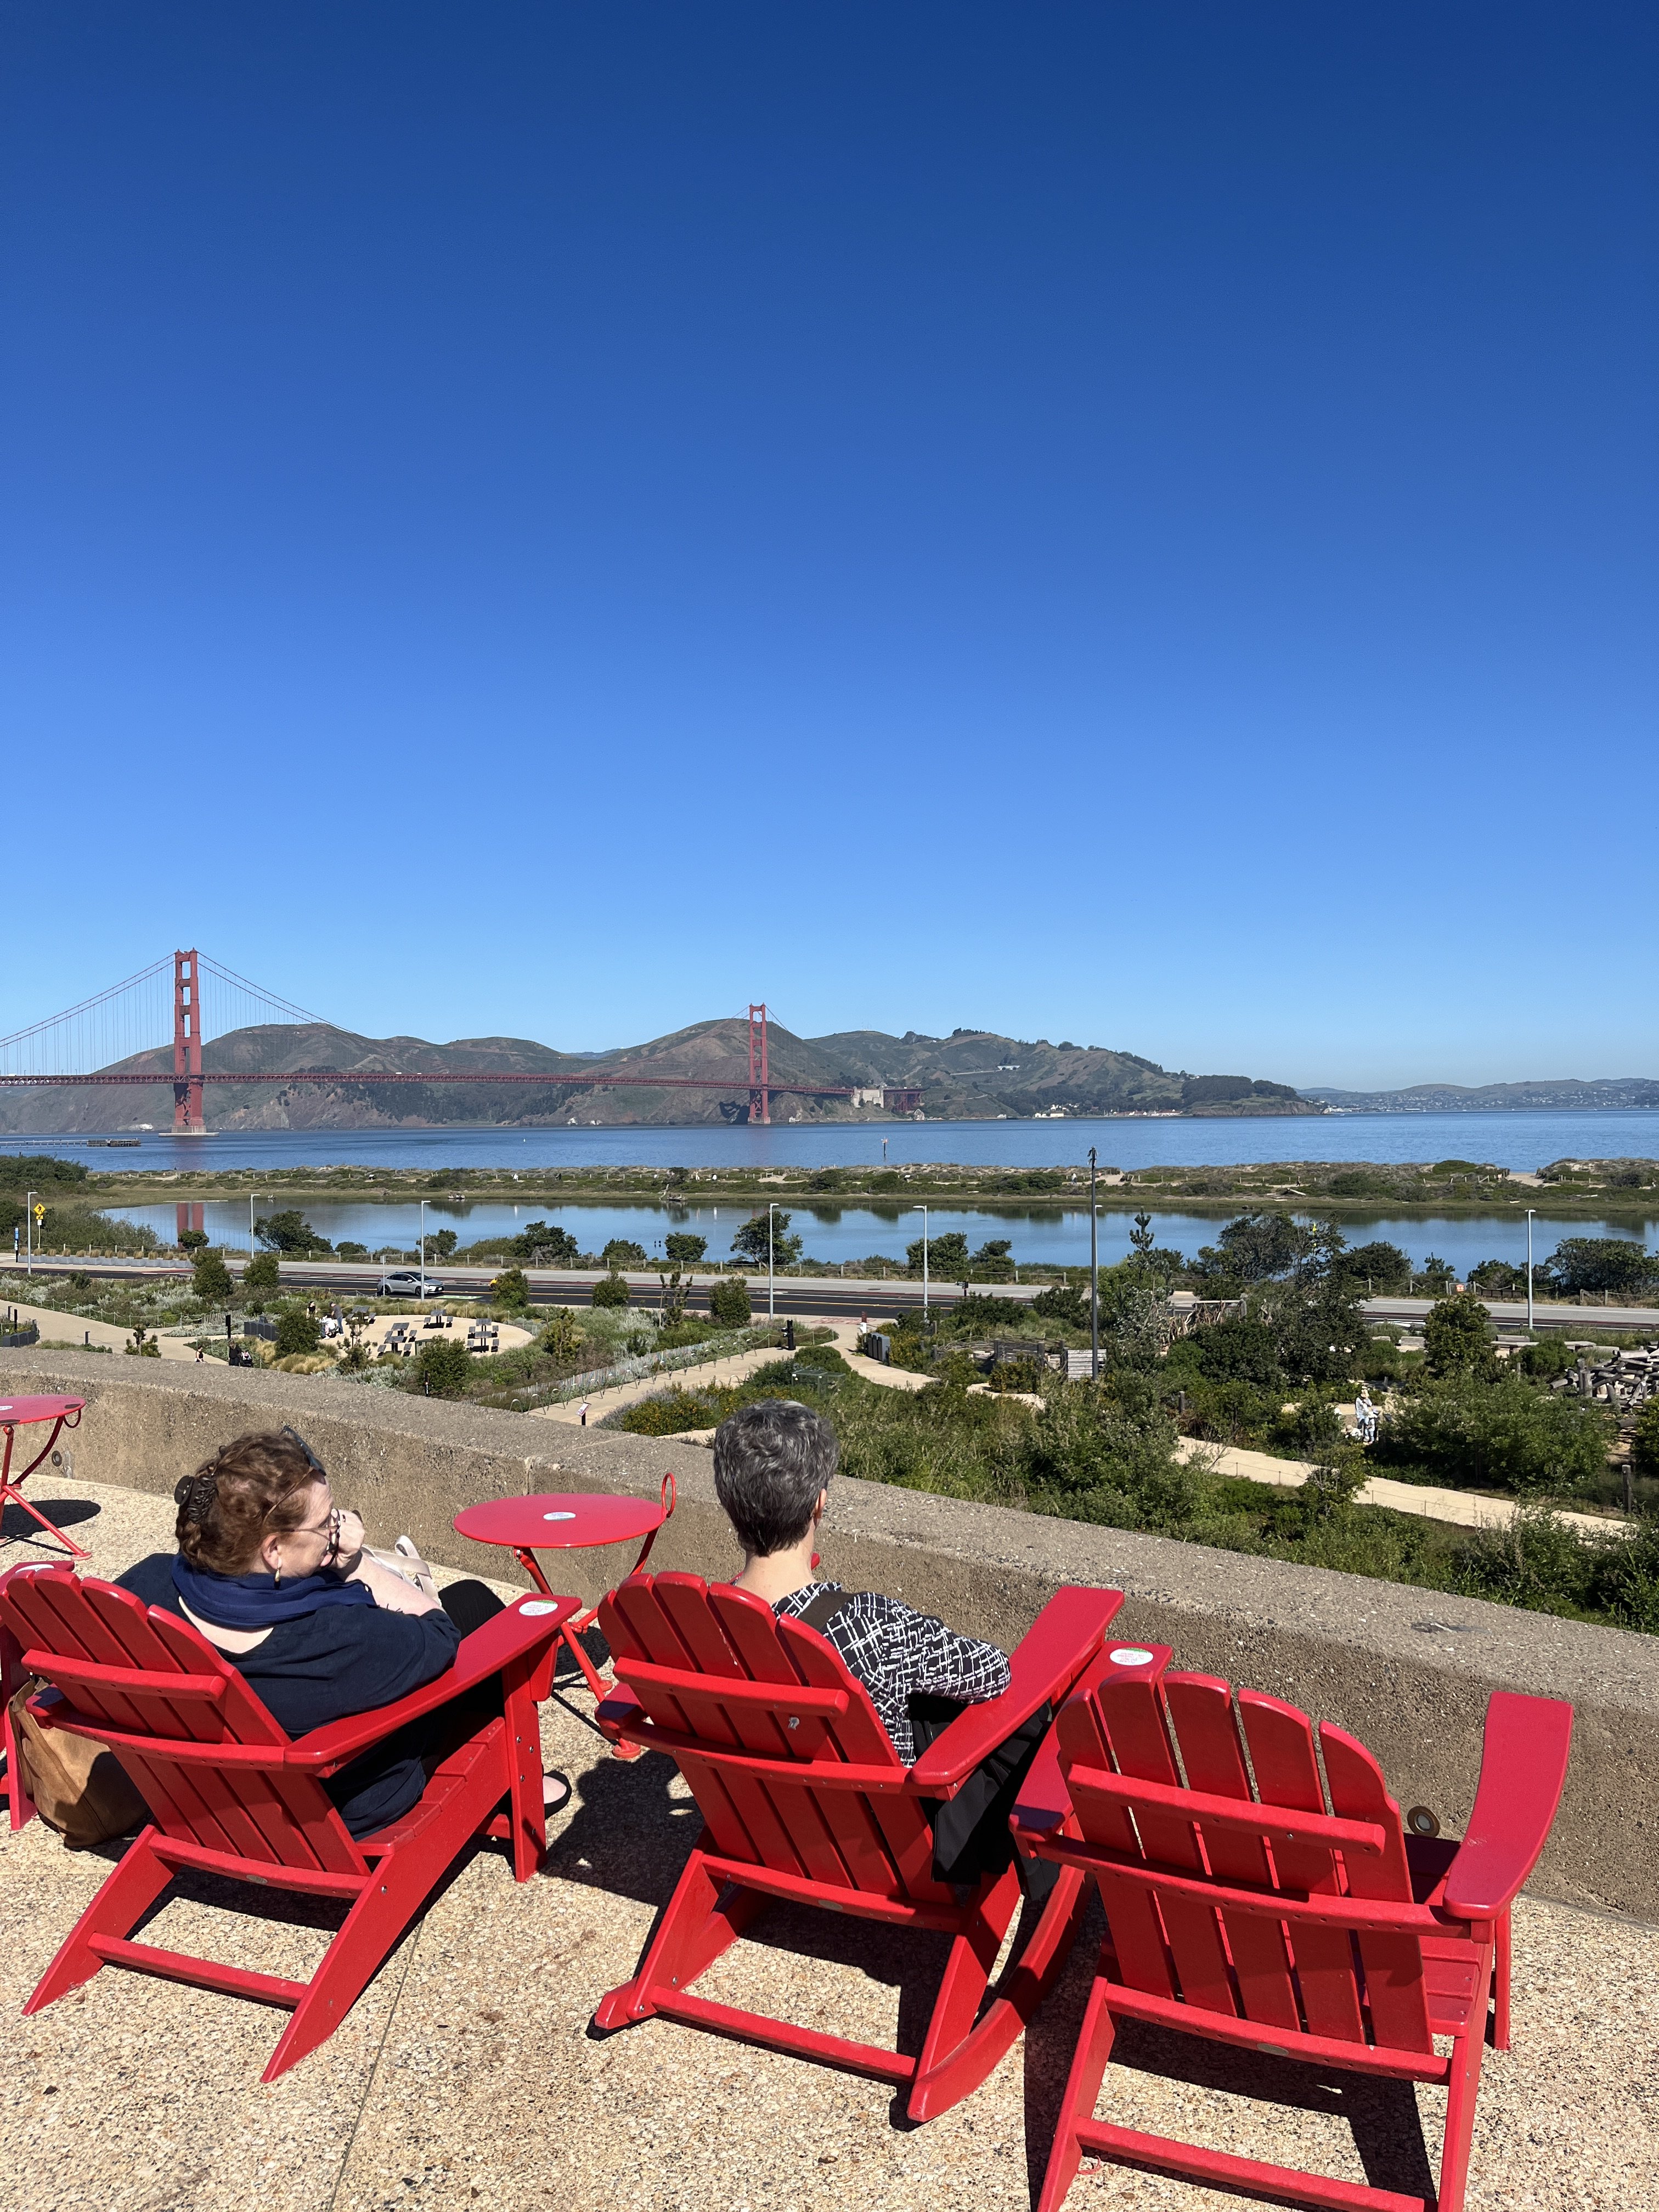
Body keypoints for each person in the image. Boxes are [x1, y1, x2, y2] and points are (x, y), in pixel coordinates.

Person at [119, 1427, 568, 1838]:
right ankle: (520, 1780)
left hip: (206, 1797)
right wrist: (355, 1564)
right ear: (273, 1549)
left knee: (466, 1599)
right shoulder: (335, 1638)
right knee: (474, 1607)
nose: (337, 1529)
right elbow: (439, 1632)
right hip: (337, 1805)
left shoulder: (145, 1587)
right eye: (326, 1522)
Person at [712, 1398, 1046, 1886]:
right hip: (881, 1851)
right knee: (1027, 1712)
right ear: (818, 1505)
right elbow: (995, 1672)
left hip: (769, 1830)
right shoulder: (871, 1624)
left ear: (730, 1503)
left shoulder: (705, 1626)